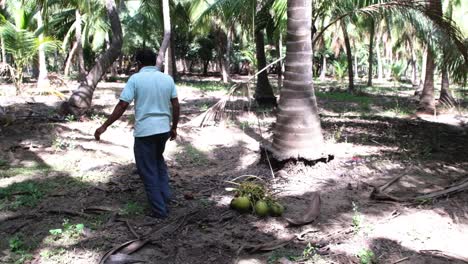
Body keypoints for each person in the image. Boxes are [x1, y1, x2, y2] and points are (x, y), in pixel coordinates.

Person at [94, 49, 180, 218]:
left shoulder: (135, 79)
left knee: (147, 170)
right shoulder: (167, 79)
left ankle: (159, 210)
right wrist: (174, 127)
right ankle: (165, 196)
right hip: (163, 129)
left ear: (138, 63)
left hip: (145, 132)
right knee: (157, 161)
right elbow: (176, 105)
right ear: (155, 62)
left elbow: (122, 106)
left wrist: (105, 125)